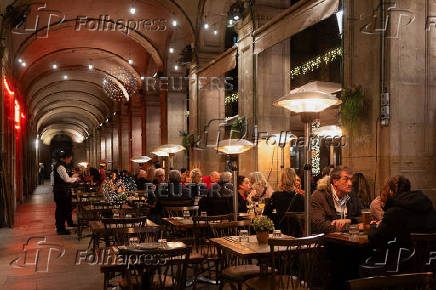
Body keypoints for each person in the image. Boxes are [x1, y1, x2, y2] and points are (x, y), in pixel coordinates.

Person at [369, 176, 436, 250]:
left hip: (403, 257)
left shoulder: (394, 212)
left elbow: (376, 238)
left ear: (391, 192)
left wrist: (372, 225)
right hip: (429, 256)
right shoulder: (425, 205)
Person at [311, 167, 362, 234]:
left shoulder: (351, 195)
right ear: (335, 182)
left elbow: (362, 217)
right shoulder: (319, 196)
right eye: (346, 179)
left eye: (350, 179)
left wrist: (349, 221)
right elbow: (320, 226)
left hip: (348, 240)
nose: (350, 183)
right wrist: (353, 227)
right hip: (326, 241)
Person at [264, 168, 304, 234]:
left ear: (282, 180)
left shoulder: (276, 196)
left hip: (281, 233)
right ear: (294, 180)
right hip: (298, 235)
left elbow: (266, 214)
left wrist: (277, 216)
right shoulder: (301, 197)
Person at [53, 151, 78, 235]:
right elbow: (66, 179)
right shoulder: (60, 166)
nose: (70, 161)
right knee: (61, 210)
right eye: (69, 159)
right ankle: (61, 229)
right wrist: (75, 179)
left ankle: (61, 226)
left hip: (61, 191)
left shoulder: (61, 165)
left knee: (62, 209)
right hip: (61, 192)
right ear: (66, 158)